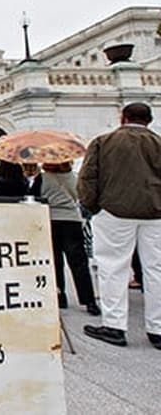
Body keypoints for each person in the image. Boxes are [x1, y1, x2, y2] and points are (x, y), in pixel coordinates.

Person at [78, 102, 161, 349]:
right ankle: (157, 328)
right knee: (156, 270)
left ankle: (114, 326)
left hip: (114, 211)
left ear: (123, 117)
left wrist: (93, 206)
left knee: (113, 267)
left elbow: (88, 177)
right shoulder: (159, 143)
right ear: (149, 119)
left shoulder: (104, 142)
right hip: (155, 212)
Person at [30, 162, 99, 315]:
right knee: (79, 263)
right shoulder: (73, 177)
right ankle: (89, 301)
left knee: (55, 261)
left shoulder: (41, 178)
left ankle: (60, 297)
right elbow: (80, 196)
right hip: (72, 219)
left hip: (50, 219)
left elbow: (34, 196)